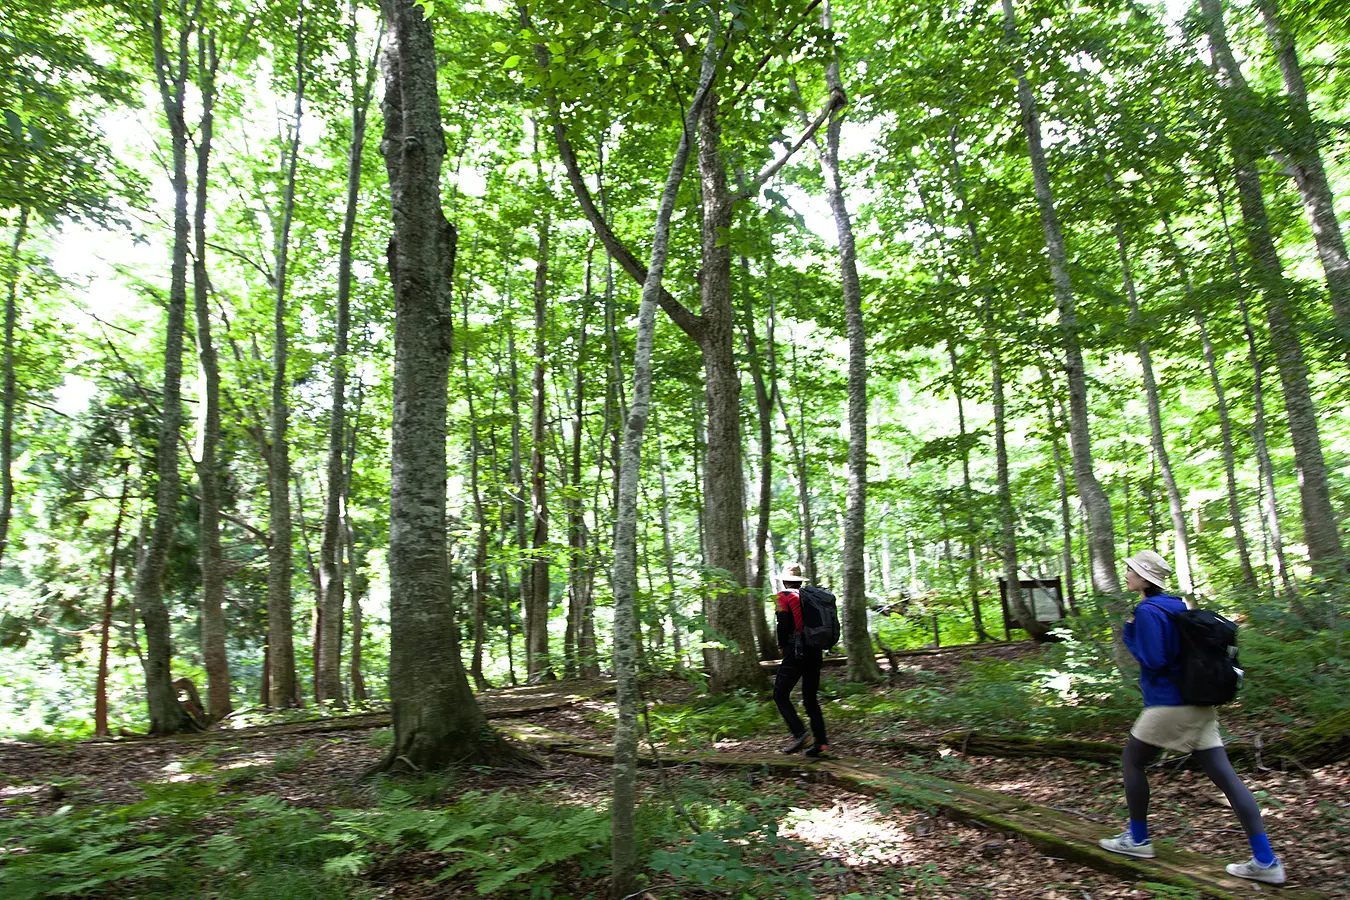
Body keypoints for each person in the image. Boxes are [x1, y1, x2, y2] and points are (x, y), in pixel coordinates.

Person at [1098, 550, 1286, 885]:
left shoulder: (1147, 610)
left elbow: (1154, 660)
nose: (1126, 574)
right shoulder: (1176, 606)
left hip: (1169, 703)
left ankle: (1138, 840)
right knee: (1227, 779)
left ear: (1144, 578)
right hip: (1199, 701)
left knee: (1132, 762)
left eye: (1130, 570)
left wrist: (1129, 634)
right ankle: (1266, 860)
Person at [772, 562, 829, 758]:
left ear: (785, 580)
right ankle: (821, 743)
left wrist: (781, 646)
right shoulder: (810, 597)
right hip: (815, 650)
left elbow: (783, 624)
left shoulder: (782, 597)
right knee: (810, 698)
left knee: (780, 694)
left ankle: (801, 734)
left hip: (795, 650)